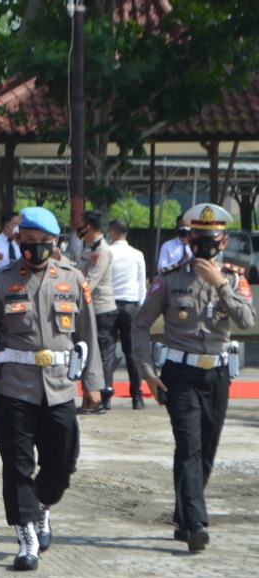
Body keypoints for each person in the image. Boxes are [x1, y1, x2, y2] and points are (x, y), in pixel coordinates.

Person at [0, 207, 103, 572]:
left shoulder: (74, 280)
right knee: (17, 464)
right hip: (14, 386)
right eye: (28, 243)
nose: (36, 249)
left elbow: (87, 333)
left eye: (44, 243)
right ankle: (26, 531)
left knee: (61, 462)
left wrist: (93, 384)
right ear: (18, 241)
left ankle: (42, 505)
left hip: (60, 387)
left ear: (55, 242)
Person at [134, 203, 254, 552]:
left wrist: (221, 285)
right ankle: (198, 522)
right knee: (189, 445)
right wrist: (147, 373)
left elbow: (247, 320)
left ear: (223, 241)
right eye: (196, 239)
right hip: (179, 374)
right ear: (188, 240)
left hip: (216, 373)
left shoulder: (234, 277)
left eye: (211, 240)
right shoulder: (169, 278)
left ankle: (184, 514)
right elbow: (140, 325)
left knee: (205, 451)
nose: (203, 246)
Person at [75, 210, 118, 413]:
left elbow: (89, 282)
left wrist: (70, 296)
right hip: (91, 308)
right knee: (90, 352)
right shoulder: (88, 250)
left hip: (102, 309)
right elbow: (77, 273)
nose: (79, 228)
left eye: (81, 224)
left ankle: (100, 399)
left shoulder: (101, 251)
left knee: (101, 355)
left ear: (89, 227)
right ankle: (92, 399)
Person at [107, 218, 148, 408]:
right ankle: (137, 397)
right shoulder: (137, 254)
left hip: (109, 305)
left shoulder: (107, 252)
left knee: (107, 352)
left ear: (112, 233)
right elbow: (141, 284)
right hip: (131, 306)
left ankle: (105, 397)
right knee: (132, 354)